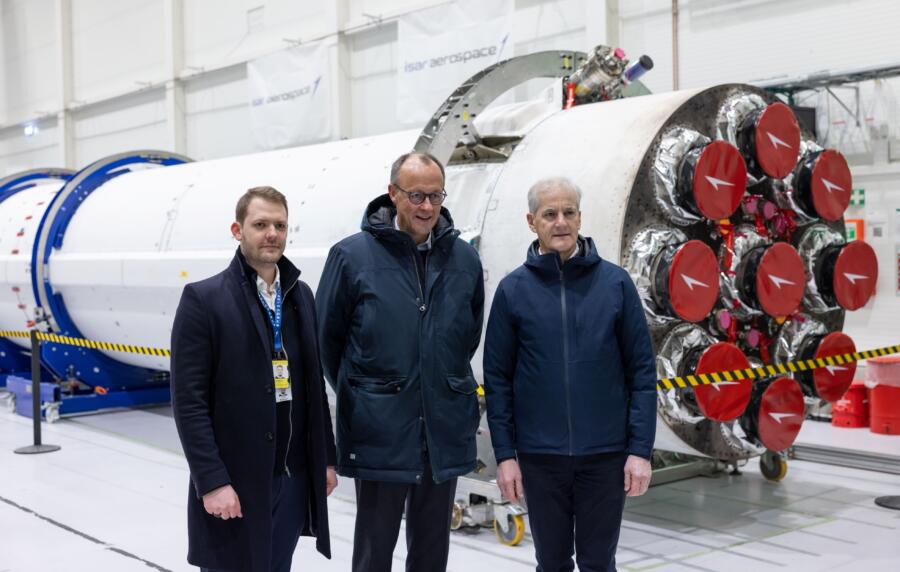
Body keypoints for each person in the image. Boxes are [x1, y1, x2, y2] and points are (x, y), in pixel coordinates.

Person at [316, 152, 484, 572]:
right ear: (393, 194)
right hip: (381, 432)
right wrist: (368, 394)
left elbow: (466, 338)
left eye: (435, 196)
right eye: (416, 196)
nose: (427, 207)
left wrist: (435, 382)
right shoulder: (351, 256)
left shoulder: (464, 259)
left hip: (441, 430)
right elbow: (327, 342)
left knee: (431, 552)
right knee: (374, 552)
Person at [483, 177, 657, 572]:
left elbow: (642, 374)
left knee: (599, 563)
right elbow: (497, 381)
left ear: (579, 218)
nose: (560, 222)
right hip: (540, 459)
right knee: (552, 562)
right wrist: (506, 456)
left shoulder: (615, 284)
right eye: (549, 214)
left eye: (568, 212)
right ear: (532, 221)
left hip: (605, 457)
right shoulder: (513, 291)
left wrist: (639, 450)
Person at [171, 186, 338, 572]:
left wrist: (325, 459)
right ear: (238, 230)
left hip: (293, 478)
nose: (272, 234)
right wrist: (212, 481)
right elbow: (189, 403)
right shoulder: (204, 300)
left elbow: (313, 386)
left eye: (280, 225)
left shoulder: (300, 296)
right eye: (260, 224)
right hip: (236, 481)